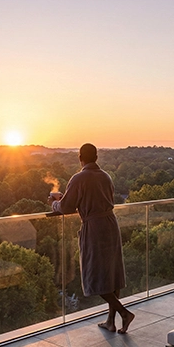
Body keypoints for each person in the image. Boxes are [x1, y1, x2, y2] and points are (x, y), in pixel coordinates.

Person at [48, 143, 134, 334]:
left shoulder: (79, 178)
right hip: (111, 225)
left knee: (93, 274)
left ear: (81, 158)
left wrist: (55, 203)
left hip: (94, 229)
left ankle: (123, 313)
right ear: (96, 157)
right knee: (112, 274)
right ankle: (111, 321)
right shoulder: (105, 176)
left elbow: (67, 207)